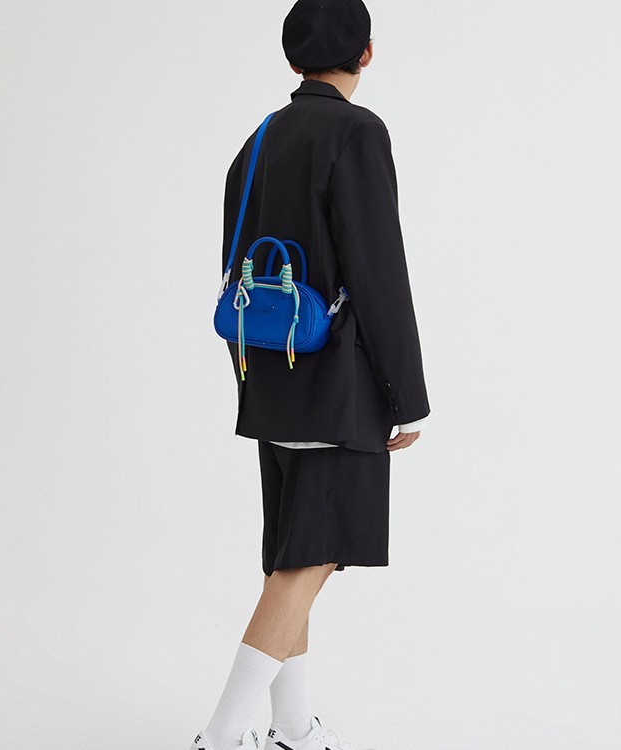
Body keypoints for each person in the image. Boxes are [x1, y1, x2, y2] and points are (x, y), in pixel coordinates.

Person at [191, 1, 430, 748]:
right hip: (336, 384)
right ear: (367, 52)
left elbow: (236, 262)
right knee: (311, 559)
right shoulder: (358, 132)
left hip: (270, 375)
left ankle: (293, 727)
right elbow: (379, 271)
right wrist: (406, 395)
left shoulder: (260, 137)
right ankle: (221, 735)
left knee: (290, 554)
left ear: (294, 59)